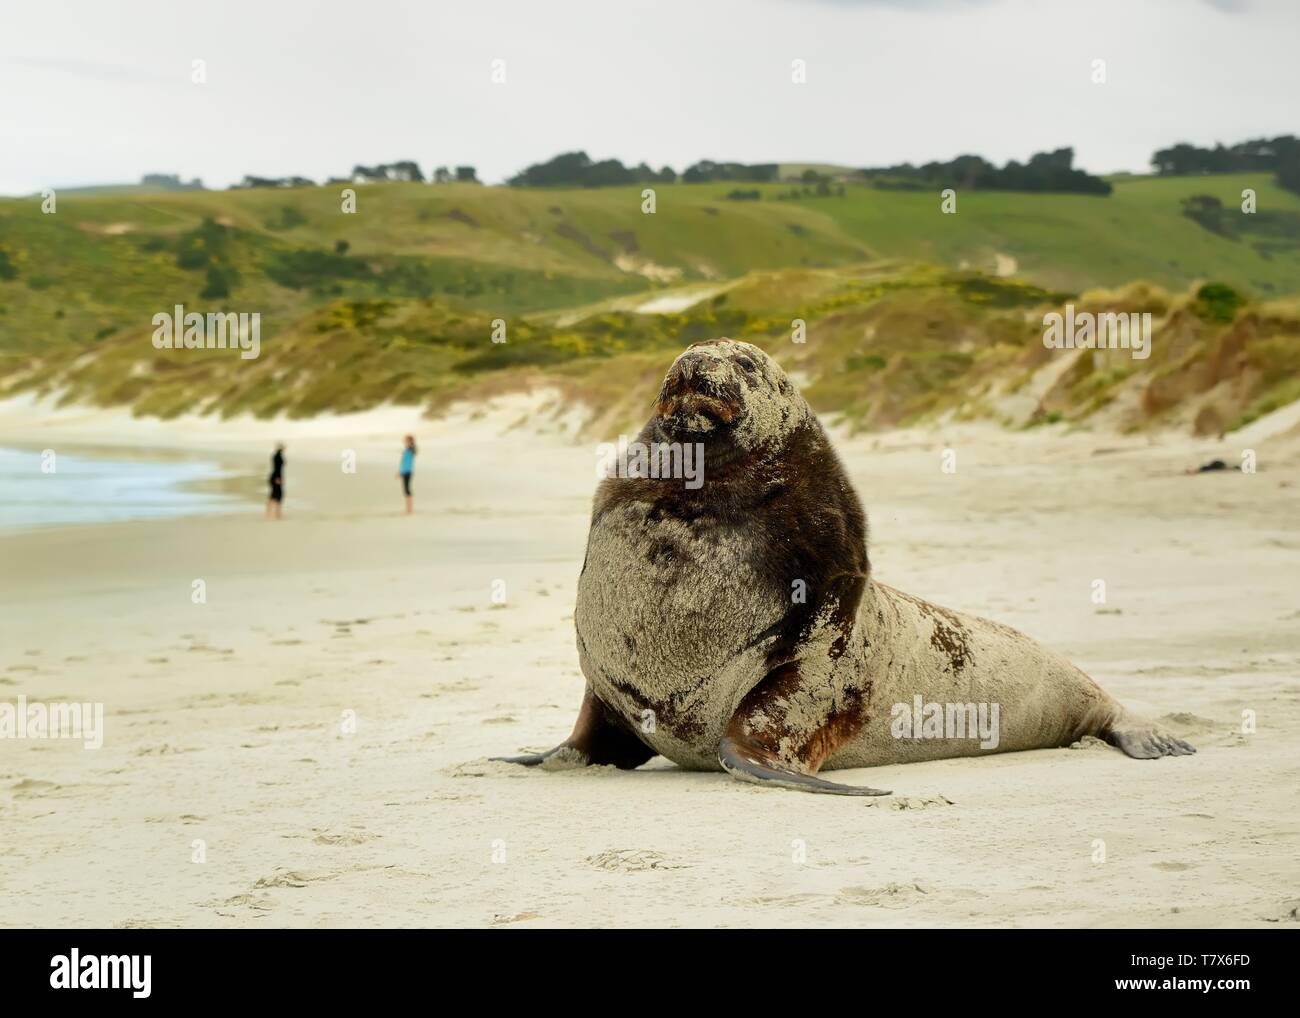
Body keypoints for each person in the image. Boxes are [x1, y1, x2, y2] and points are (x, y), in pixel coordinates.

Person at [398, 435, 416, 514]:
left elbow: (406, 463)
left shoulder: (410, 450)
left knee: (407, 490)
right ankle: (408, 509)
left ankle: (409, 509)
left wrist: (401, 472)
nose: (404, 441)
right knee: (406, 490)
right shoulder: (408, 450)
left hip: (407, 471)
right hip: (406, 471)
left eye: (406, 440)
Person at [266, 443, 285, 520]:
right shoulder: (278, 457)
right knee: (278, 495)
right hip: (276, 477)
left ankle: (271, 513)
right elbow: (277, 469)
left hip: (274, 476)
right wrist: (278, 478)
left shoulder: (275, 456)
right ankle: (277, 514)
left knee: (274, 494)